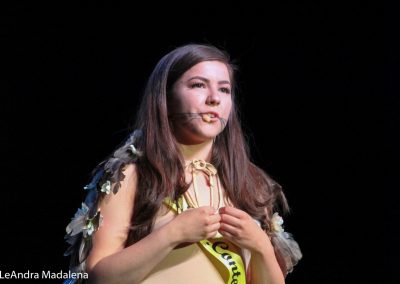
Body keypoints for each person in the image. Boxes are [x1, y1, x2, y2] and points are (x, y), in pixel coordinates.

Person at [64, 43, 302, 284]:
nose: (214, 99)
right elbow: (97, 277)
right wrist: (173, 234)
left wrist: (260, 245)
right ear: (166, 96)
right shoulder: (131, 176)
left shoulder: (250, 183)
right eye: (198, 85)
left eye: (224, 89)